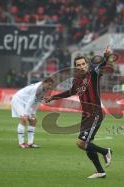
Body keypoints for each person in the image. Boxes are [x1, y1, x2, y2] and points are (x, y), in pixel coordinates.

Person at [45, 46, 113, 179]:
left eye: (83, 64)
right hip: (85, 116)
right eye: (78, 65)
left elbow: (102, 65)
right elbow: (70, 92)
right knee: (87, 145)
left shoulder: (93, 74)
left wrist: (106, 56)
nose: (81, 66)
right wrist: (53, 97)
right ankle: (100, 171)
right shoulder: (76, 81)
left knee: (81, 143)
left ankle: (106, 151)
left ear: (87, 65)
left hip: (95, 114)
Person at [11, 77, 54, 148]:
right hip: (18, 100)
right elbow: (30, 101)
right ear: (44, 83)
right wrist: (25, 114)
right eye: (49, 84)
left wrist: (33, 113)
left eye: (51, 85)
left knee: (34, 120)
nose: (50, 87)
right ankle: (21, 143)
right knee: (23, 119)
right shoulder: (38, 89)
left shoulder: (43, 89)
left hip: (25, 102)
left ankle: (30, 143)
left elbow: (37, 101)